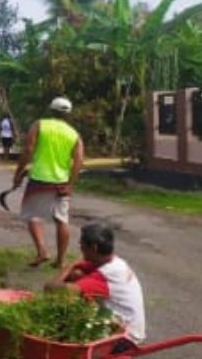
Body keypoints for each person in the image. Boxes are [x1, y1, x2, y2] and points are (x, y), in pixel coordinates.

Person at [12, 97, 85, 269]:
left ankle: (42, 251)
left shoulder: (39, 125)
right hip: (61, 183)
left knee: (33, 216)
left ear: (51, 110)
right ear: (68, 114)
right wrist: (70, 184)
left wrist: (18, 172)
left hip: (39, 180)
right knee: (62, 220)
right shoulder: (74, 134)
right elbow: (79, 159)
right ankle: (60, 260)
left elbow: (28, 149)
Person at [44, 221, 145, 343]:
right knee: (77, 274)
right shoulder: (115, 262)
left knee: (67, 302)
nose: (80, 247)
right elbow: (80, 265)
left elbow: (52, 290)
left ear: (94, 248)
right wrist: (72, 269)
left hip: (124, 338)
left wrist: (66, 269)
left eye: (82, 244)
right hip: (125, 326)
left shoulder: (105, 275)